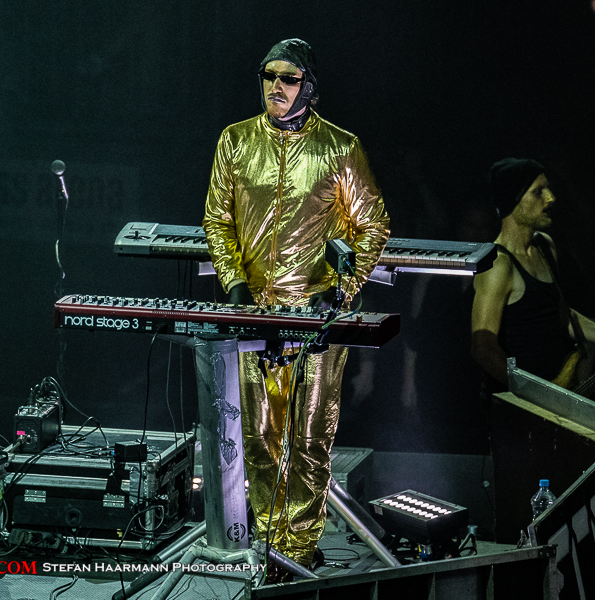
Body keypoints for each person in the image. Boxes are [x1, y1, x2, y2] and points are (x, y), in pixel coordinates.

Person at [202, 39, 390, 578]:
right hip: (253, 314)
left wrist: (342, 287)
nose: (275, 86)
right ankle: (270, 549)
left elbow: (373, 223)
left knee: (309, 438)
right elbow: (217, 218)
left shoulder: (340, 147)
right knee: (257, 436)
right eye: (268, 75)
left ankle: (299, 551)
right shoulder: (235, 140)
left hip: (315, 318)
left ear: (309, 87)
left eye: (288, 78)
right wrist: (234, 282)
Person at [470, 158, 595, 393]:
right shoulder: (497, 264)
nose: (551, 198)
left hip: (552, 397)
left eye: (547, 189)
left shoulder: (545, 245)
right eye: (538, 192)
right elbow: (482, 348)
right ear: (513, 200)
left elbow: (561, 315)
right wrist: (534, 393)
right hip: (516, 408)